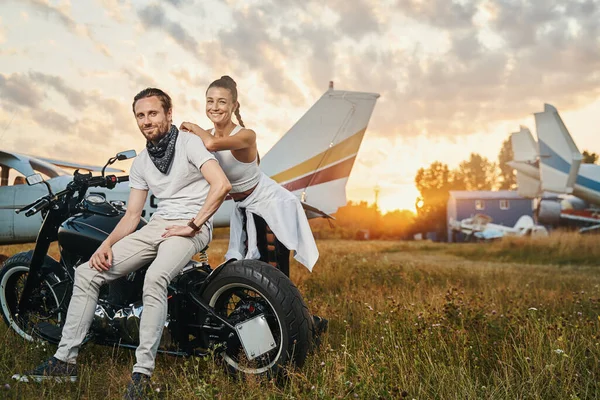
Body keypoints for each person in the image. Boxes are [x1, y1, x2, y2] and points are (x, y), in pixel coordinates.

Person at [13, 88, 232, 398]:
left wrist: (193, 224)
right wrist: (107, 245)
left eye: (153, 113)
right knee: (88, 273)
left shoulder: (189, 144)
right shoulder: (142, 162)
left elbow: (221, 184)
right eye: (141, 115)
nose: (147, 120)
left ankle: (141, 374)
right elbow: (131, 216)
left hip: (190, 225)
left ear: (168, 114)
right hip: (157, 226)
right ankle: (64, 362)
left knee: (155, 278)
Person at [180, 75, 319, 272]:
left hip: (270, 204)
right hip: (243, 205)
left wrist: (192, 127)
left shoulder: (246, 135)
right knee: (247, 268)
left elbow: (212, 144)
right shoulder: (205, 134)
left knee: (272, 269)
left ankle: (285, 303)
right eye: (210, 101)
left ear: (234, 105)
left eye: (222, 102)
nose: (214, 107)